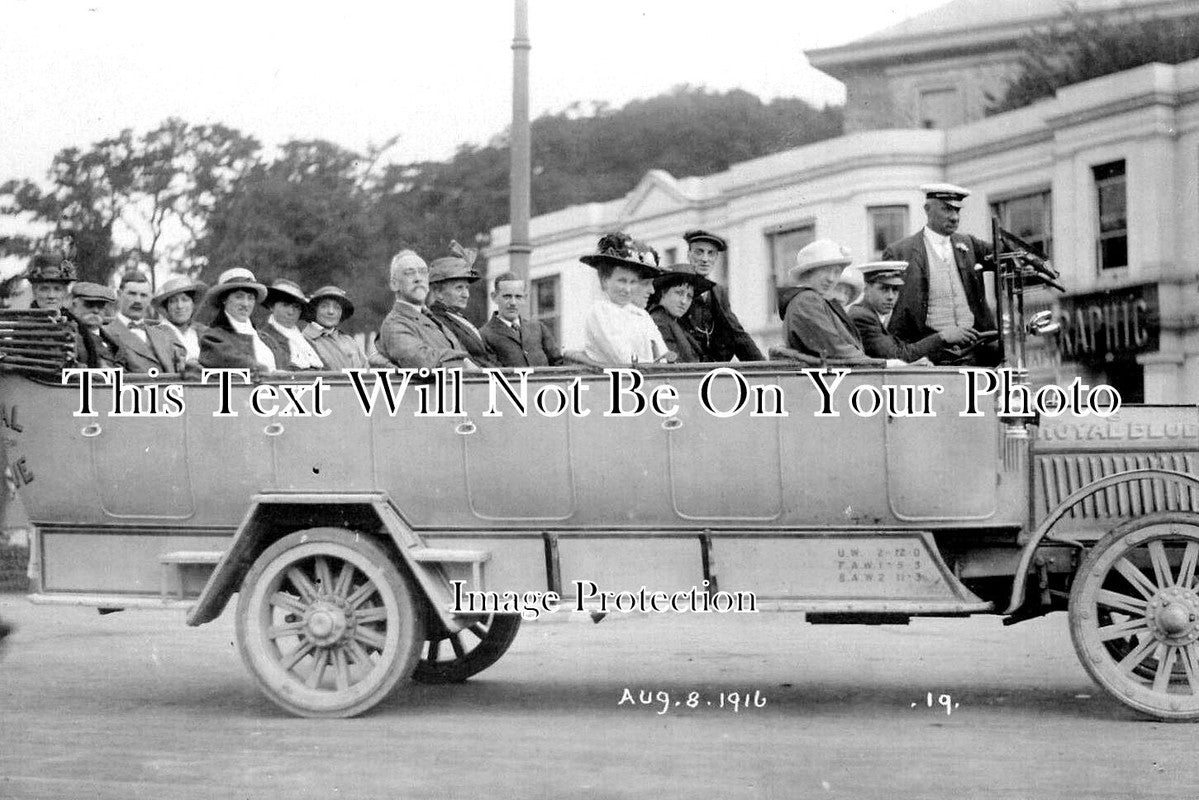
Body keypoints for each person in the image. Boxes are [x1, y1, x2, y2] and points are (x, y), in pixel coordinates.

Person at [882, 183, 996, 363]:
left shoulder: (969, 244)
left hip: (976, 350)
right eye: (947, 209)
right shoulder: (900, 252)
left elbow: (1006, 252)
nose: (954, 217)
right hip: (929, 355)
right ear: (927, 209)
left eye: (957, 211)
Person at [779, 239, 890, 366]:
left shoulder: (815, 301)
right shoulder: (806, 300)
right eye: (826, 270)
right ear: (808, 272)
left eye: (837, 272)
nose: (831, 278)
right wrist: (886, 365)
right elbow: (837, 350)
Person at [849, 261, 973, 362]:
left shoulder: (873, 314)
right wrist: (943, 336)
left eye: (895, 290)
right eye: (884, 289)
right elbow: (898, 356)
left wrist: (946, 349)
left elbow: (902, 348)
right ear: (866, 289)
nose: (891, 296)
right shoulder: (862, 317)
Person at [580, 233, 671, 366]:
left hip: (646, 378)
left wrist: (663, 363)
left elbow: (663, 354)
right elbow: (622, 358)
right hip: (612, 382)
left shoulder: (642, 315)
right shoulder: (600, 312)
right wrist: (656, 366)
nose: (627, 289)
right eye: (622, 281)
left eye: (633, 282)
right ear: (604, 281)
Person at [375, 250, 473, 370]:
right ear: (394, 284)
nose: (418, 278)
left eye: (423, 272)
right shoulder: (395, 323)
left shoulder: (431, 318)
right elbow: (422, 362)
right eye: (409, 273)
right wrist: (464, 360)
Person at [680, 229, 763, 362]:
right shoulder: (677, 287)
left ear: (716, 258)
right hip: (687, 368)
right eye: (699, 252)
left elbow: (736, 332)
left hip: (714, 367)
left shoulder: (718, 291)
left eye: (711, 253)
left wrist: (763, 366)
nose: (705, 259)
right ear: (688, 255)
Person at [199, 267, 286, 371]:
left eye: (250, 298)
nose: (245, 304)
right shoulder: (212, 338)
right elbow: (234, 362)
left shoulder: (267, 339)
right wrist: (268, 373)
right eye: (239, 297)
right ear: (224, 299)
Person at [103, 271, 186, 374]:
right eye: (132, 294)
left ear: (150, 298)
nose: (138, 300)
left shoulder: (164, 334)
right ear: (119, 295)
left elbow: (182, 367)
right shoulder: (105, 333)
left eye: (143, 295)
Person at [426, 255, 499, 368]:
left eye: (467, 288)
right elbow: (462, 360)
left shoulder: (456, 317)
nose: (466, 295)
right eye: (459, 288)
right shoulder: (437, 321)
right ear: (438, 292)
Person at [480, 272, 564, 368]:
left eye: (518, 297)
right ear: (494, 297)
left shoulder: (538, 328)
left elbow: (558, 363)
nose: (513, 303)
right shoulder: (484, 335)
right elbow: (494, 374)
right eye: (507, 296)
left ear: (525, 298)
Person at [648, 267, 714, 363]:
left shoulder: (675, 321)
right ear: (663, 293)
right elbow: (673, 365)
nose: (684, 301)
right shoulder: (659, 322)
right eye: (679, 293)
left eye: (689, 296)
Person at [257, 279, 324, 371]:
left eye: (296, 307)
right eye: (285, 305)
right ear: (272, 306)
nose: (291, 312)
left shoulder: (307, 342)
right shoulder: (262, 338)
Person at [304, 286, 369, 370]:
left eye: (337, 307)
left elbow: (367, 372)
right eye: (324, 306)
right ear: (314, 310)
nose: (331, 311)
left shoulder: (349, 341)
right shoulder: (304, 340)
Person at [152, 276, 208, 368]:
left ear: (193, 304)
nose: (180, 306)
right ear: (166, 307)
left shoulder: (203, 332)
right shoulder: (156, 333)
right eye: (173, 301)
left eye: (185, 300)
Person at [64, 282, 120, 368]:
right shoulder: (68, 335)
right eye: (89, 305)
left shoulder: (114, 339)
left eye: (100, 306)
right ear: (74, 305)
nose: (96, 311)